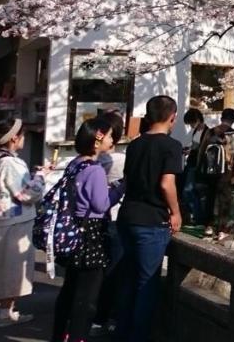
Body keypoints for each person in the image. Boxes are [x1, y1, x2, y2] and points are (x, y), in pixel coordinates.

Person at [115, 95, 182, 342]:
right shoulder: (171, 146)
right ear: (172, 117)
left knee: (129, 280)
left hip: (127, 216)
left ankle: (121, 332)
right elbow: (167, 184)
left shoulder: (135, 144)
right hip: (151, 221)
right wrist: (176, 212)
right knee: (146, 284)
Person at [52, 116, 121, 342]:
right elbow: (101, 204)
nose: (112, 139)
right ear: (97, 141)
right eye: (109, 135)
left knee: (70, 288)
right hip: (91, 232)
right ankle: (78, 336)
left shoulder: (75, 163)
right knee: (87, 296)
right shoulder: (96, 170)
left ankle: (60, 333)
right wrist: (118, 189)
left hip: (72, 230)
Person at [0, 118, 47, 327]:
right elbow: (26, 194)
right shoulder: (12, 163)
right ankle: (6, 313)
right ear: (15, 138)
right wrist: (40, 176)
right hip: (14, 223)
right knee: (11, 271)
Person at [94, 111, 127, 336]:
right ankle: (109, 317)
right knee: (114, 270)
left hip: (96, 220)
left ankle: (95, 316)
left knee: (98, 269)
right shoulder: (121, 160)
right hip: (115, 216)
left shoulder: (93, 160)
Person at [198, 108, 234, 233]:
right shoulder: (232, 133)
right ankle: (221, 228)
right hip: (225, 171)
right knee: (224, 198)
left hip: (210, 170)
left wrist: (200, 166)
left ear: (221, 118)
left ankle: (208, 225)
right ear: (233, 119)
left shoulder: (210, 131)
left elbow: (202, 149)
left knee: (210, 196)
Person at [180, 108, 207, 225]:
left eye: (191, 122)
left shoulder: (207, 132)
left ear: (197, 120)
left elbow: (202, 149)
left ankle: (198, 216)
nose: (191, 126)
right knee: (189, 191)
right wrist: (189, 150)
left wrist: (192, 151)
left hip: (197, 164)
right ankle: (195, 216)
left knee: (188, 190)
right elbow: (195, 146)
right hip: (191, 162)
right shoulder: (196, 131)